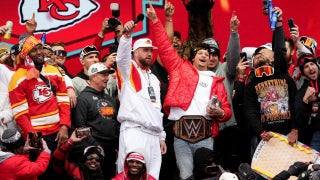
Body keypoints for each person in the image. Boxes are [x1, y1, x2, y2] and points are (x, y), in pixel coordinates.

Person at [146, 2, 231, 179]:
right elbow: (164, 47)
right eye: (200, 53)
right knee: (185, 175)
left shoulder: (216, 81)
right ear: (192, 58)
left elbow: (227, 113)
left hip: (205, 135)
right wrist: (155, 20)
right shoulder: (179, 69)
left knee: (207, 175)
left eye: (207, 55)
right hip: (181, 137)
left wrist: (220, 111)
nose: (204, 56)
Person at [115, 23, 167, 179]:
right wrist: (126, 37)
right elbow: (121, 58)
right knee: (129, 175)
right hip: (134, 130)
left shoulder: (154, 79)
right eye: (145, 50)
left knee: (152, 175)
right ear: (135, 52)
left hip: (153, 134)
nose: (149, 53)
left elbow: (156, 110)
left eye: (151, 50)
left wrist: (161, 136)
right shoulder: (128, 70)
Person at [243, 7, 298, 150]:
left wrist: (295, 129)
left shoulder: (281, 73)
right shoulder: (251, 85)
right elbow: (250, 112)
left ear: (273, 58)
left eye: (263, 53)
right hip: (264, 137)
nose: (259, 55)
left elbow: (295, 104)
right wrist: (261, 132)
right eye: (256, 56)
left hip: (288, 135)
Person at [72, 62, 119, 179]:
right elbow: (80, 126)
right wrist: (95, 146)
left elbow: (116, 123)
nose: (107, 78)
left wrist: (118, 146)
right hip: (93, 150)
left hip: (112, 149)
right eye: (103, 75)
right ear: (93, 76)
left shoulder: (110, 98)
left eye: (107, 75)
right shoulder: (83, 98)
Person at [295, 56, 320, 152]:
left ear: (317, 66)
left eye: (312, 64)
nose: (310, 68)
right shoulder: (303, 90)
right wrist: (305, 100)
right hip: (316, 133)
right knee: (313, 164)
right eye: (306, 67)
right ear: (303, 72)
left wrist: (317, 96)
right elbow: (299, 117)